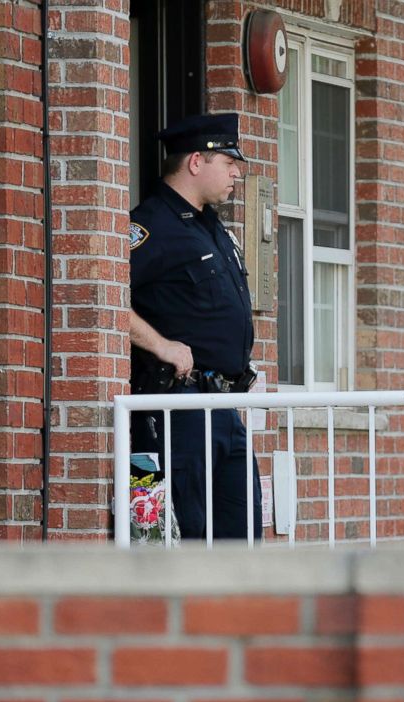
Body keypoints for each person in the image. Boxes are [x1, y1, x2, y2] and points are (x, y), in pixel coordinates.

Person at [128, 112, 262, 540]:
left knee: (242, 540)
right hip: (178, 409)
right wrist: (161, 345)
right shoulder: (151, 225)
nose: (236, 172)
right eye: (228, 162)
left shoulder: (211, 227)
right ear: (196, 162)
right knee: (186, 541)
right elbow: (100, 295)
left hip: (224, 408)